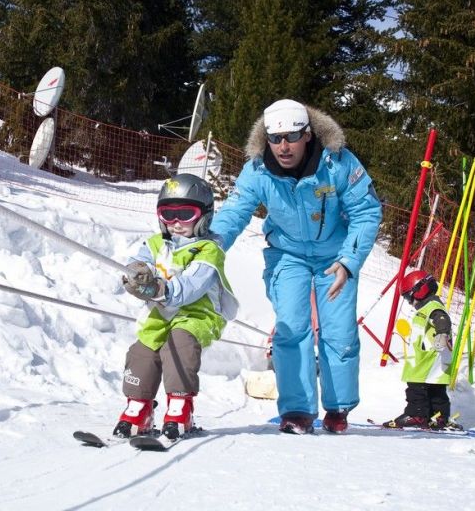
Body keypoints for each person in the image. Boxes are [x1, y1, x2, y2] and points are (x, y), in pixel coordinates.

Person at [209, 99, 382, 434]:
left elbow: (366, 211)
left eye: (291, 137)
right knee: (290, 326)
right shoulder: (258, 169)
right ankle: (298, 411)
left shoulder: (338, 162)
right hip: (287, 255)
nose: (283, 147)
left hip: (335, 258)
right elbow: (236, 209)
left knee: (338, 331)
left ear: (307, 135)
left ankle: (338, 406)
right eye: (276, 139)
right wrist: (212, 245)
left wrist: (349, 261)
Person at [114, 173, 238, 440]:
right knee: (142, 350)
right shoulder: (156, 244)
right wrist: (137, 276)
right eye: (168, 215)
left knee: (179, 344)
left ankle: (181, 407)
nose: (176, 223)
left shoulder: (208, 249)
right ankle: (139, 407)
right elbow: (139, 262)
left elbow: (193, 285)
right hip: (162, 313)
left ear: (204, 216)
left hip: (199, 314)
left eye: (185, 214)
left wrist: (161, 288)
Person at [382, 270, 461, 430]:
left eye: (407, 297)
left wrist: (442, 334)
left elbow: (442, 319)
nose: (409, 302)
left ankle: (416, 414)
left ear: (418, 291)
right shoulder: (429, 307)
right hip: (436, 358)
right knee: (436, 391)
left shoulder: (432, 307)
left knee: (416, 387)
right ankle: (438, 418)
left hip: (426, 359)